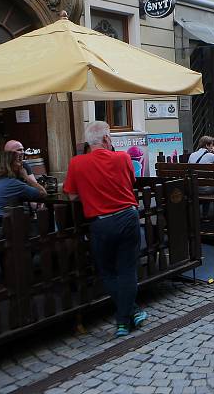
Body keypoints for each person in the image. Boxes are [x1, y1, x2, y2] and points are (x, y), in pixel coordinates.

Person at [63, 121, 148, 337]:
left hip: (101, 223)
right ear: (107, 139)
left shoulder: (76, 163)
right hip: (127, 216)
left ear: (88, 143)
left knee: (107, 271)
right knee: (127, 270)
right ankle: (127, 316)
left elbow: (72, 196)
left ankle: (124, 319)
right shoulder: (123, 157)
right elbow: (131, 182)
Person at [188, 136, 214, 220]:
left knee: (205, 185)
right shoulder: (211, 156)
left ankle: (196, 215)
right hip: (206, 189)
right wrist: (213, 153)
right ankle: (205, 215)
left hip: (193, 188)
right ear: (207, 145)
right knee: (209, 186)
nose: (213, 147)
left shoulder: (192, 155)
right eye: (212, 145)